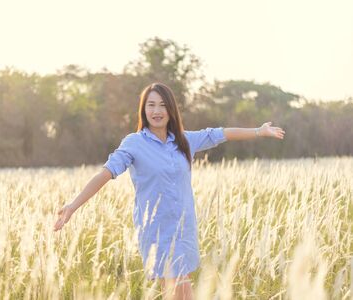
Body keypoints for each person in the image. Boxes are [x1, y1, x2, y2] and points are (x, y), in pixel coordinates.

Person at [54, 82, 285, 299]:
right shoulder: (134, 143)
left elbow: (220, 134)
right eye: (151, 105)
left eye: (163, 105)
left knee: (176, 293)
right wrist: (73, 205)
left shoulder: (184, 141)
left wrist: (259, 131)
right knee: (182, 292)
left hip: (184, 228)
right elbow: (106, 174)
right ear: (143, 110)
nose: (157, 111)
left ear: (171, 109)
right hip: (157, 232)